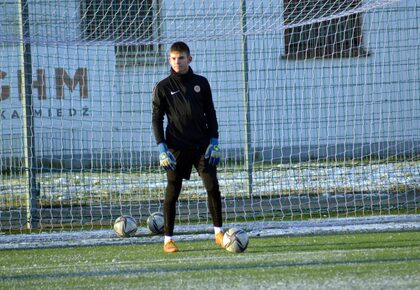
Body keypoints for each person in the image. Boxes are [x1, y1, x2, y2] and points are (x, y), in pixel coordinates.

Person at [152, 41, 224, 253]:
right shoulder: (163, 87)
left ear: (189, 59)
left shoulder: (201, 83)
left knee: (212, 187)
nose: (177, 62)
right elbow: (156, 120)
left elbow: (210, 112)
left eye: (181, 58)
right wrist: (162, 149)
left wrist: (214, 141)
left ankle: (218, 232)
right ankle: (168, 240)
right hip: (176, 147)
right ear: (169, 60)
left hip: (202, 146)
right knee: (172, 192)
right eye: (173, 58)